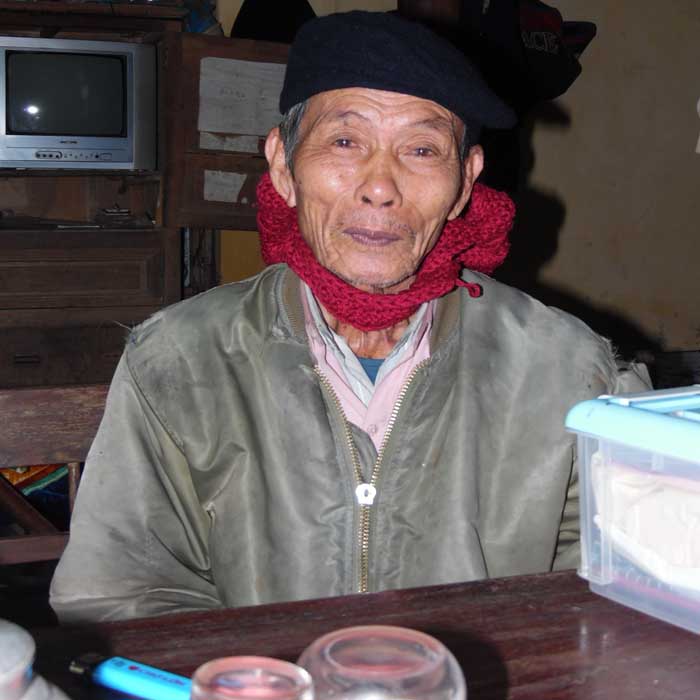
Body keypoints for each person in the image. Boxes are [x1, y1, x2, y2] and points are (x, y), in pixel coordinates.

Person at [50, 11, 648, 622]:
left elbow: (625, 581)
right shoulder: (178, 360)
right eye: (344, 142)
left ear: (466, 183)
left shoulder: (569, 372)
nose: (380, 186)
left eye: (422, 149)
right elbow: (119, 593)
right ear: (283, 166)